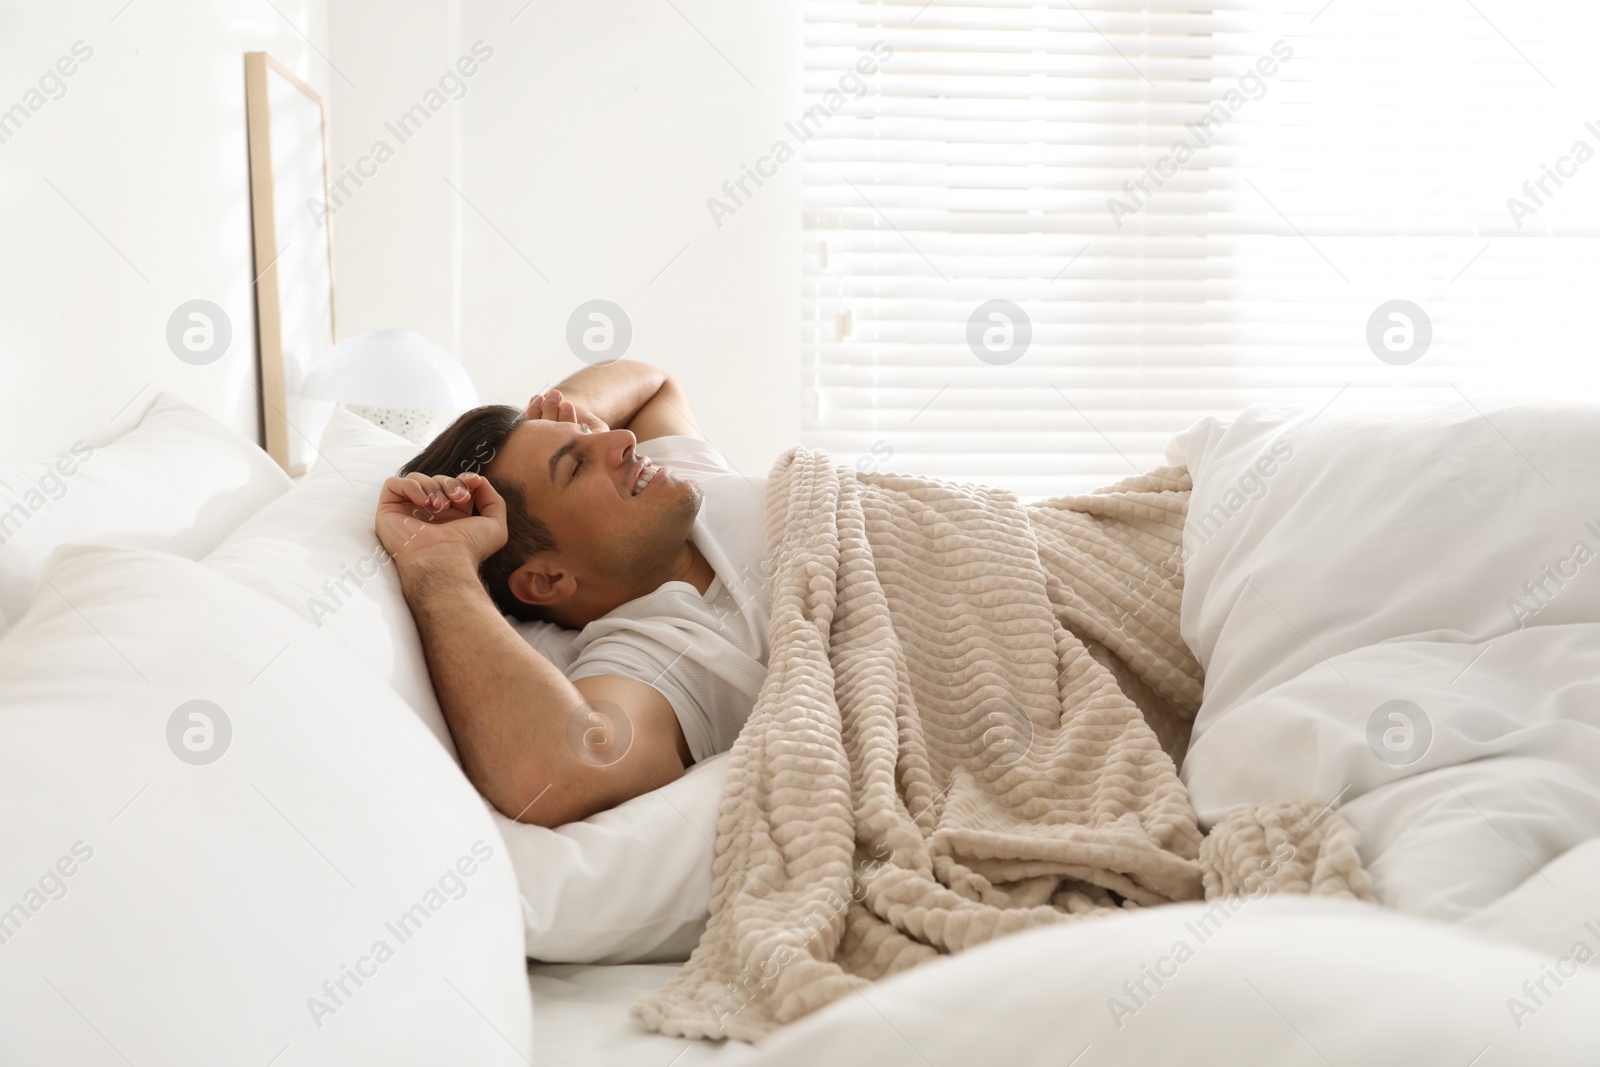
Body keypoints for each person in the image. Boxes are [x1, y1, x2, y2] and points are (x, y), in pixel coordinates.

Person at [375, 361, 770, 829]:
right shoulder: (658, 655)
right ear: (546, 580)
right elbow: (553, 774)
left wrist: (569, 409)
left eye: (589, 435)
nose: (622, 440)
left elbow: (653, 387)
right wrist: (440, 569)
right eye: (577, 465)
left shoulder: (679, 481)